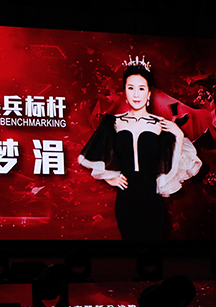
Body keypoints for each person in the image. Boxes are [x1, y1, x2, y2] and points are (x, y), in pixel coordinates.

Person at [78, 56, 201, 240]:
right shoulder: (113, 123)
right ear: (125, 92)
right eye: (131, 88)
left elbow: (173, 163)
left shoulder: (161, 124)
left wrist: (179, 134)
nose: (136, 94)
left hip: (152, 201)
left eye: (141, 89)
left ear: (149, 93)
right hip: (125, 201)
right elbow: (93, 155)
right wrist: (110, 177)